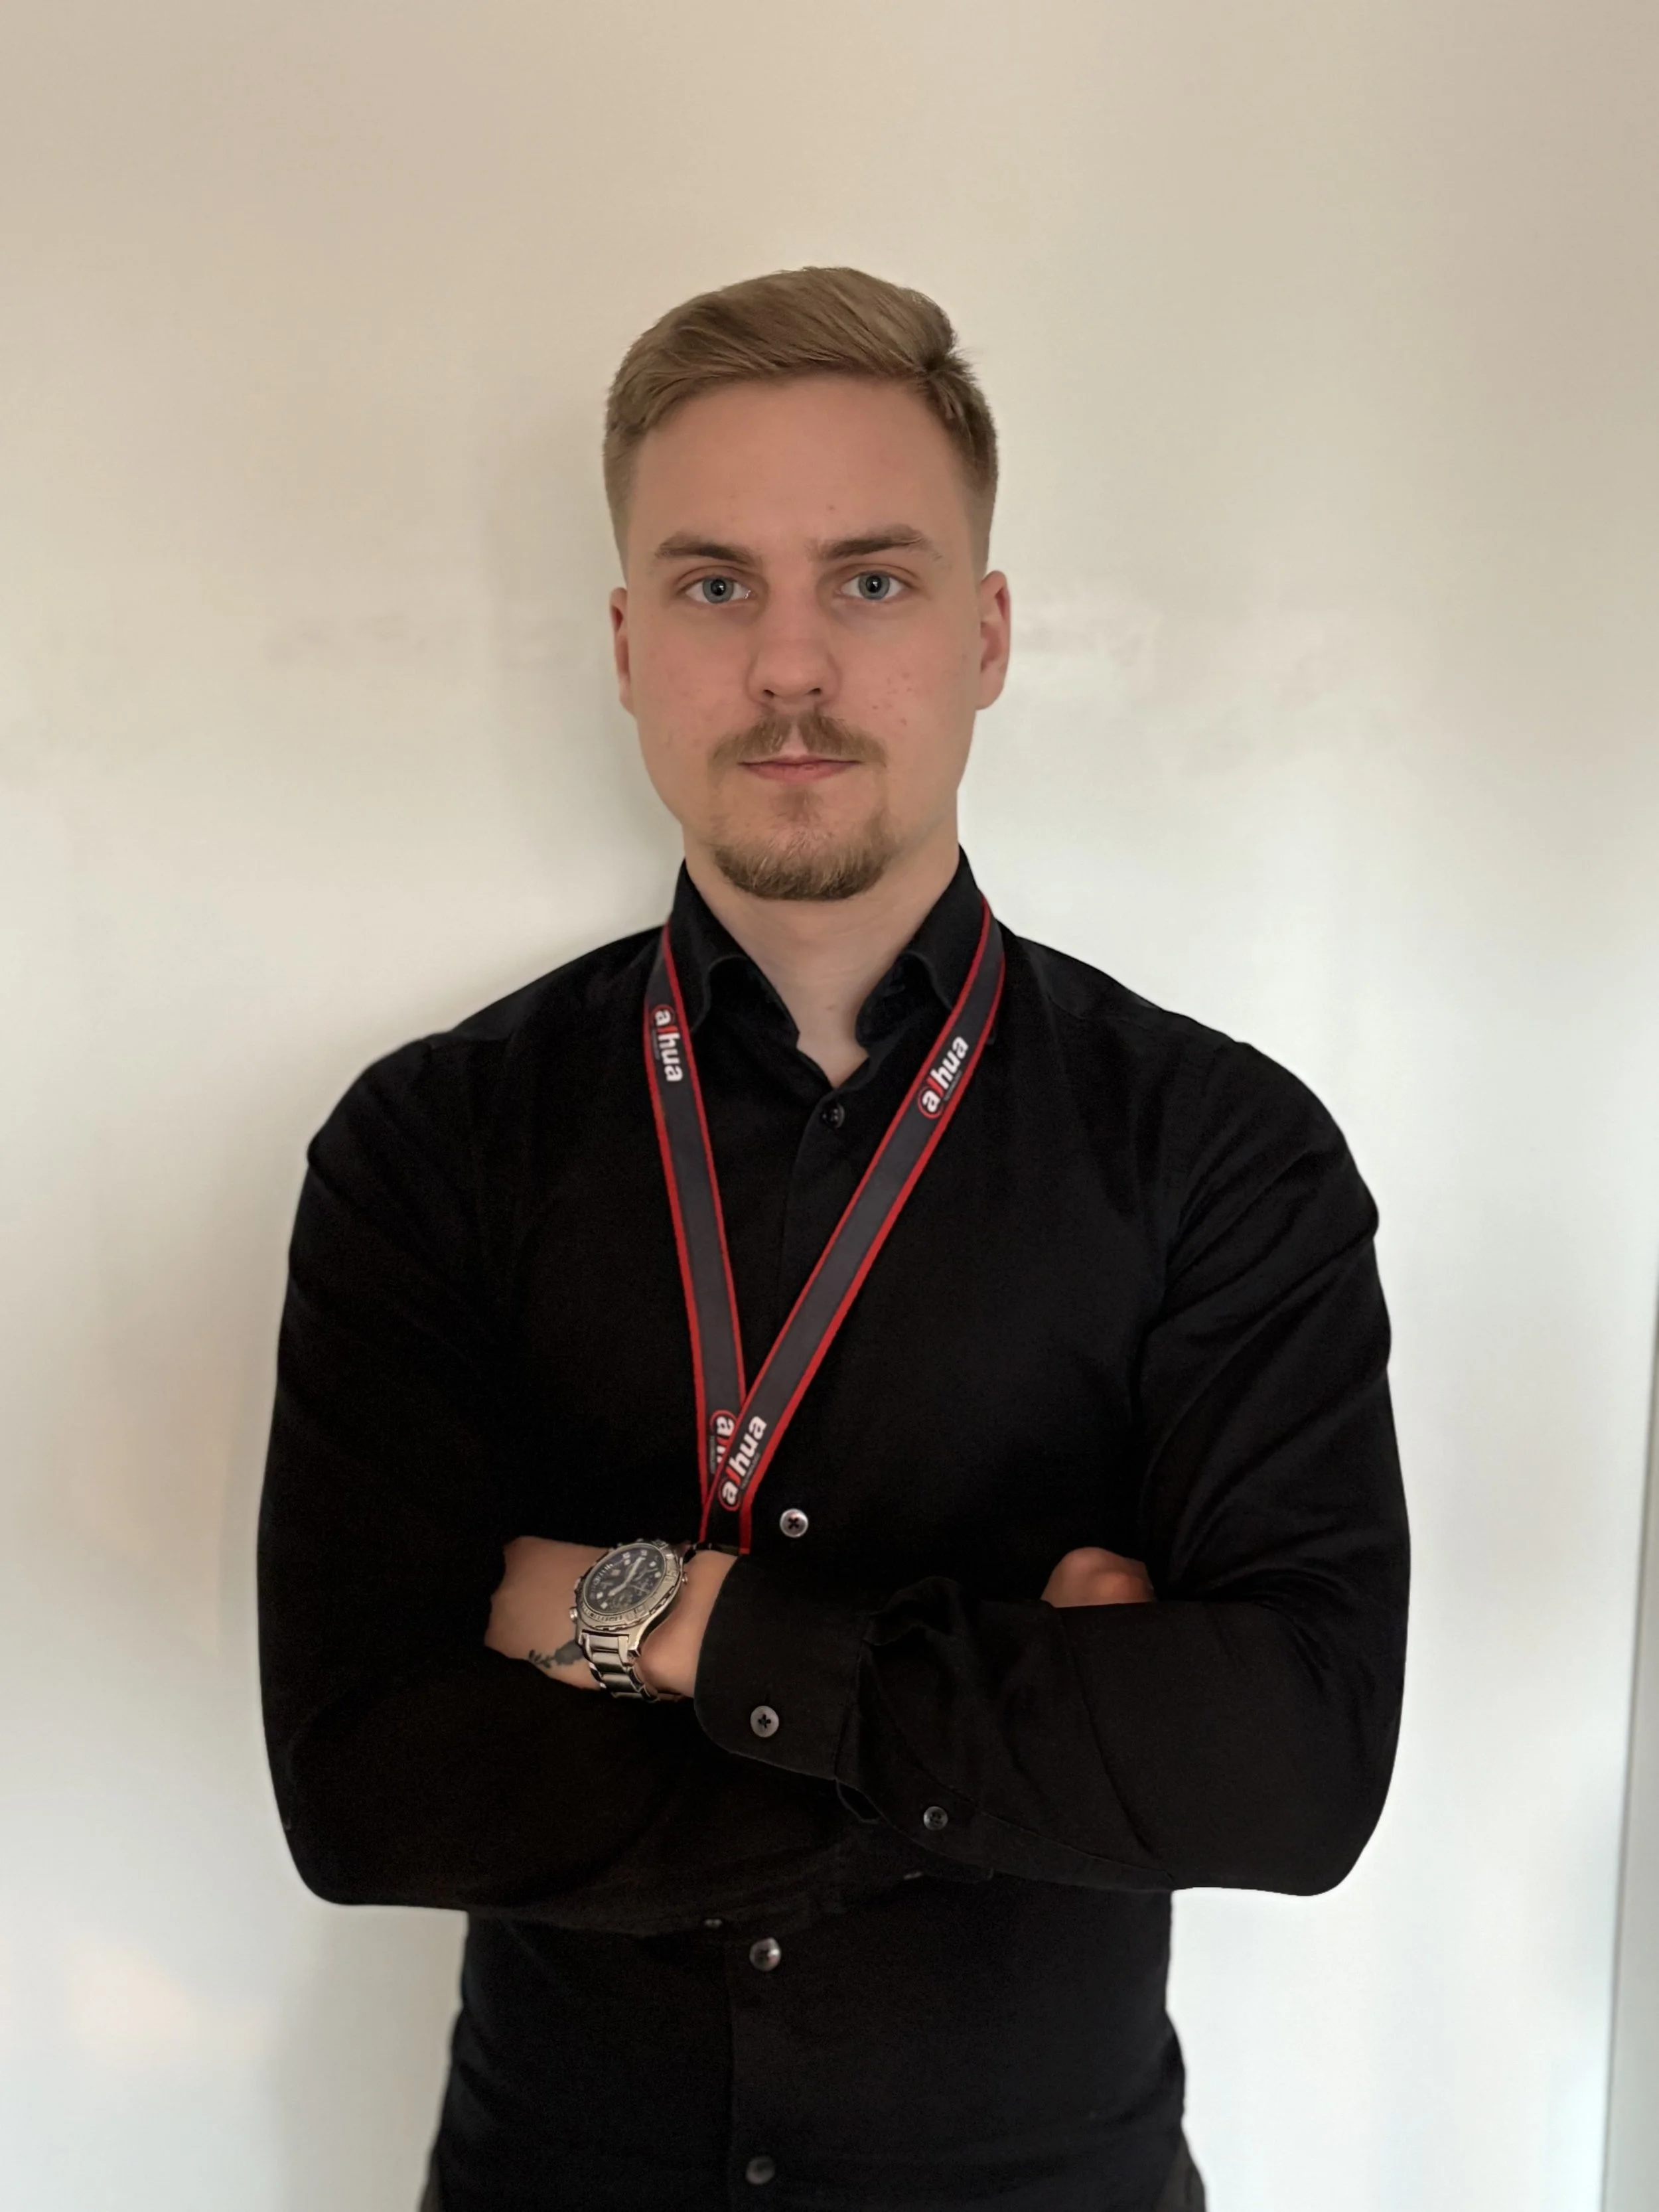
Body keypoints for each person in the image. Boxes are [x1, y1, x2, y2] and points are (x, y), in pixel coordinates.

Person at [257, 265, 1409, 2212]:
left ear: (986, 633)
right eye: (715, 585)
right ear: (628, 641)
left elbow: (1287, 1773)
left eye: (869, 580)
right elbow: (367, 1781)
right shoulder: (426, 1143)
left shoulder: (1222, 1152)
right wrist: (1021, 1733)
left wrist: (637, 1621)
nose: (788, 664)